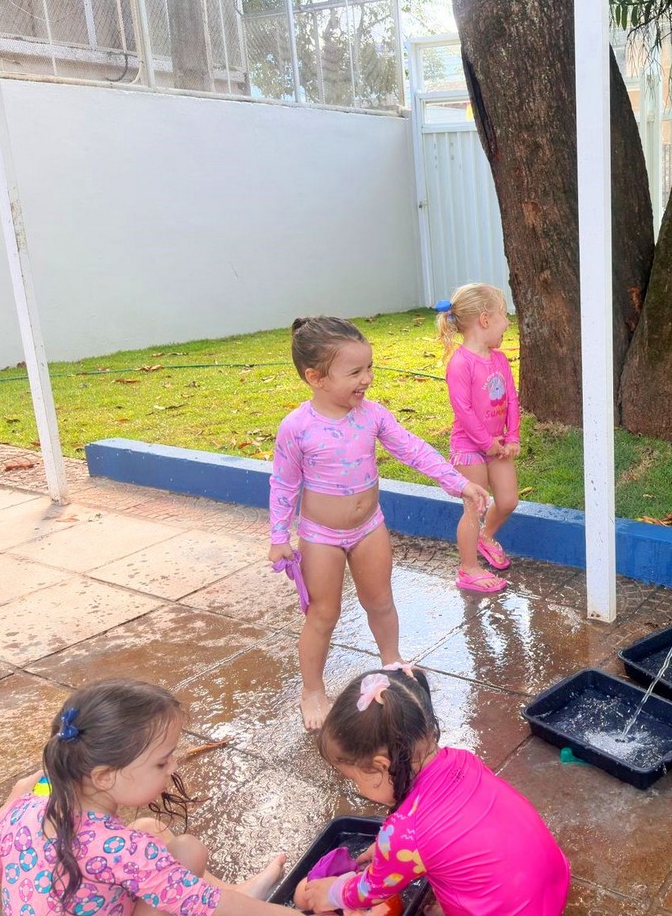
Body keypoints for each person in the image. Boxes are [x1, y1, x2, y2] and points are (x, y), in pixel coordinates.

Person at [269, 316, 490, 729]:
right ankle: (312, 689)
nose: (367, 378)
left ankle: (392, 663)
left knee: (380, 601)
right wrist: (279, 535)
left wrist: (458, 483)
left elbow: (413, 449)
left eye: (369, 367)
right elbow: (284, 483)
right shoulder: (297, 428)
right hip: (321, 536)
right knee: (323, 614)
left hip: (369, 527)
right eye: (354, 372)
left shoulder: (371, 415)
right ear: (315, 378)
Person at [0, 679, 289, 916]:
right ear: (104, 776)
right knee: (188, 850)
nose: (173, 767)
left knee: (150, 827)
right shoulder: (122, 849)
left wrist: (8, 807)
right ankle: (240, 899)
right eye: (162, 762)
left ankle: (241, 892)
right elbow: (202, 902)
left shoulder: (23, 811)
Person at [296, 668, 570, 916]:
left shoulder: (406, 832)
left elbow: (372, 890)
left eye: (354, 778)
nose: (356, 787)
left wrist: (332, 893)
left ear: (381, 767)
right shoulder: (462, 760)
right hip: (551, 886)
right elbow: (466, 833)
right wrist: (386, 849)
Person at [435, 285, 521, 594]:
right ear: (485, 320)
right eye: (504, 315)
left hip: (498, 444)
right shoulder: (460, 364)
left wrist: (512, 437)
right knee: (475, 506)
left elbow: (511, 399)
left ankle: (485, 537)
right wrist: (487, 444)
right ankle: (468, 569)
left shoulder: (499, 359)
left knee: (508, 500)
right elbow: (464, 411)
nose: (507, 323)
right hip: (469, 447)